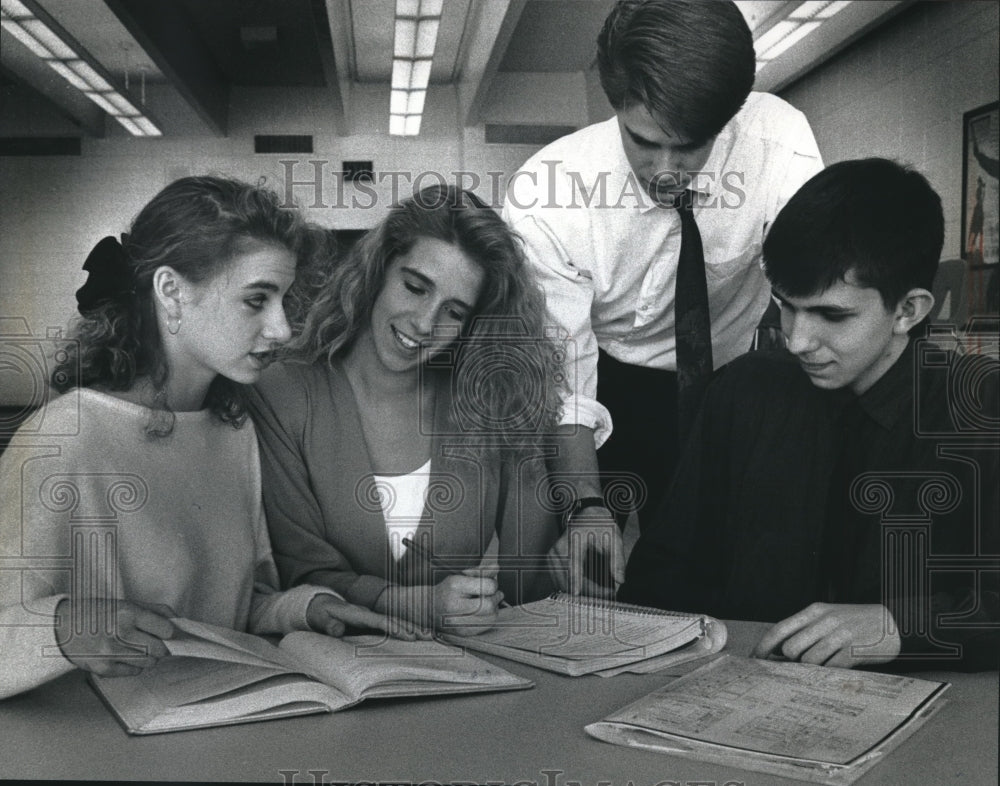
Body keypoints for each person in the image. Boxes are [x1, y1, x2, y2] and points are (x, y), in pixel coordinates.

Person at [0, 176, 402, 700]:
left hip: (214, 722)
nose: (282, 329)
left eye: (282, 300)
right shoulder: (62, 438)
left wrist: (305, 608)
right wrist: (60, 629)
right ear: (171, 292)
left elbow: (230, 608)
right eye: (256, 300)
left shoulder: (234, 430)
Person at [620, 159, 1000, 670]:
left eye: (832, 315)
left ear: (909, 310)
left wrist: (902, 626)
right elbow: (662, 572)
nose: (798, 340)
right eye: (786, 305)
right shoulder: (742, 391)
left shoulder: (982, 413)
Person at [502, 0, 824, 597]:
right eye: (644, 141)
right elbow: (563, 381)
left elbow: (814, 291)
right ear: (613, 104)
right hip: (603, 382)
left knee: (711, 575)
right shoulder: (548, 195)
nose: (668, 168)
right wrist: (586, 509)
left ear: (729, 118)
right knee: (579, 579)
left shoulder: (779, 143)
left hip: (720, 381)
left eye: (693, 145)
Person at [247, 185, 563, 636]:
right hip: (330, 670)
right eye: (415, 287)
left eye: (454, 312)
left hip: (470, 672)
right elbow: (299, 572)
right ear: (377, 271)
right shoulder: (283, 394)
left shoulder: (494, 403)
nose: (425, 323)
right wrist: (410, 604)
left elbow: (527, 579)